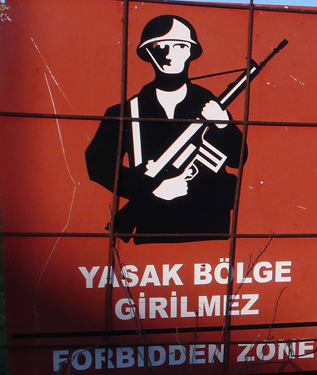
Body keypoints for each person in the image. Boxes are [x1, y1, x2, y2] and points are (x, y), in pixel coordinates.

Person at [85, 14, 245, 243]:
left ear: (191, 51)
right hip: (153, 228)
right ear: (148, 53)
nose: (170, 55)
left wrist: (223, 125)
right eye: (161, 46)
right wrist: (152, 188)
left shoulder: (210, 104)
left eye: (180, 46)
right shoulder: (125, 111)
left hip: (210, 229)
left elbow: (238, 159)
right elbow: (97, 164)